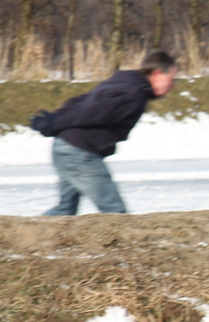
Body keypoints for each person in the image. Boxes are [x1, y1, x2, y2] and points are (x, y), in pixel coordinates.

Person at [30, 50, 179, 215]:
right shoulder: (133, 94)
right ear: (157, 73)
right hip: (79, 152)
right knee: (115, 213)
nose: (172, 86)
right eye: (171, 79)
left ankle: (27, 232)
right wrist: (55, 122)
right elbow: (91, 112)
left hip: (66, 147)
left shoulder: (125, 82)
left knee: (65, 209)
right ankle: (24, 232)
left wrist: (56, 117)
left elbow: (80, 101)